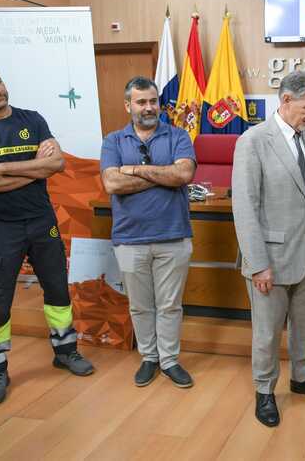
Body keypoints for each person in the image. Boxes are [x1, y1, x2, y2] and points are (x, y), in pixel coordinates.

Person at [0, 60, 94, 407]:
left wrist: (1, 168)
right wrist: (35, 170)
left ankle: (65, 351)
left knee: (57, 290)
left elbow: (57, 164)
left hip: (42, 220)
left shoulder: (32, 119)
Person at [232, 70, 305, 427]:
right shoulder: (253, 141)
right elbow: (245, 207)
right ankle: (265, 391)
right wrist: (257, 263)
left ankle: (302, 378)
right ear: (287, 100)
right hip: (270, 260)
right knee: (267, 333)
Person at [100, 76, 196, 389]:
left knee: (170, 305)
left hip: (173, 235)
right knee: (140, 306)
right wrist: (162, 174)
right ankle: (149, 357)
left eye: (153, 101)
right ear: (128, 105)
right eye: (141, 102)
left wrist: (135, 169)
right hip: (130, 239)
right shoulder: (113, 141)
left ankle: (169, 360)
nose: (149, 107)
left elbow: (183, 174)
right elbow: (112, 183)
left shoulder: (178, 135)